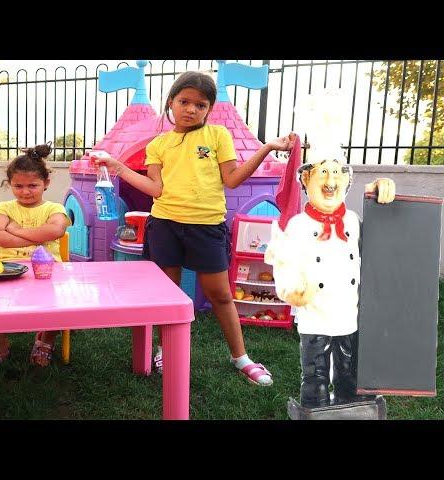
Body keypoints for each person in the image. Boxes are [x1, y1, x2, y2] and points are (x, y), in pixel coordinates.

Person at [92, 71, 295, 386]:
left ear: (209, 109)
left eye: (200, 105)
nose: (191, 109)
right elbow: (155, 188)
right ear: (171, 101)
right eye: (184, 101)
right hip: (164, 226)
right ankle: (163, 349)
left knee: (221, 295)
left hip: (206, 227)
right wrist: (117, 167)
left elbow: (232, 179)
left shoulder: (218, 136)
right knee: (166, 294)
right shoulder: (159, 144)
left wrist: (267, 147)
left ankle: (240, 357)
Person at [265, 155, 395, 407]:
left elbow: (381, 241)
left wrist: (380, 195)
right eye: (323, 172)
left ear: (346, 181)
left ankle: (352, 406)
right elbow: (285, 260)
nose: (330, 180)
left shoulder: (353, 222)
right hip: (314, 315)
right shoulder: (299, 225)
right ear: (306, 179)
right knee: (315, 374)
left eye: (336, 173)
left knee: (350, 370)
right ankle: (315, 408)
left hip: (349, 314)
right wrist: (292, 289)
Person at [0, 143, 71, 374]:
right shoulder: (3, 207)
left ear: (46, 183)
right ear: (10, 185)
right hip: (2, 269)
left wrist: (14, 230)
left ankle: (46, 339)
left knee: (59, 304)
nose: (26, 191)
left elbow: (55, 231)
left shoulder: (54, 208)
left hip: (46, 272)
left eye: (33, 185)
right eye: (19, 186)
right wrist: (37, 238)